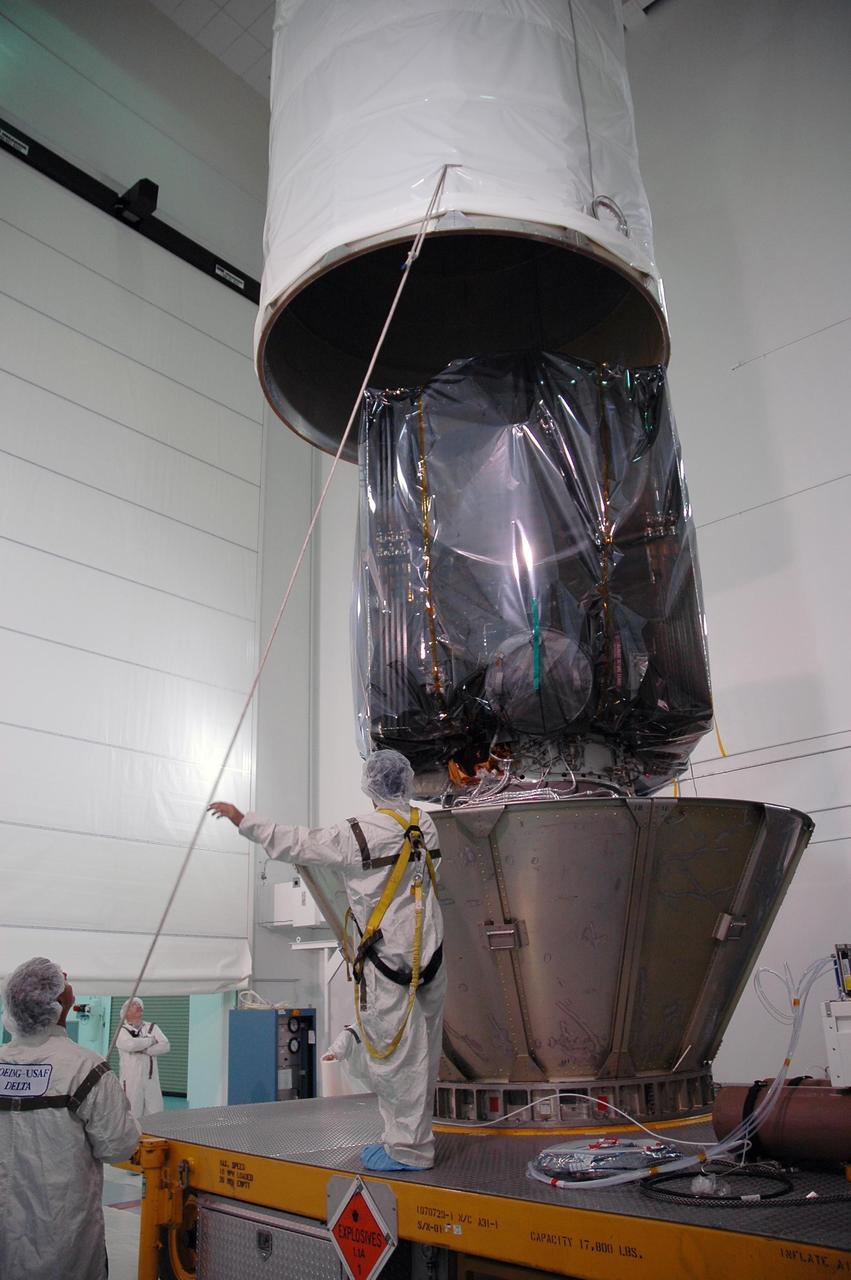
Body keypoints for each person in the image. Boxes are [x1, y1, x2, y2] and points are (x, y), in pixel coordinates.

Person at [210, 748, 445, 1173]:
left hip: (390, 964)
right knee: (423, 1054)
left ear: (369, 785)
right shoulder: (425, 823)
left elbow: (299, 842)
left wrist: (243, 819)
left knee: (396, 1060)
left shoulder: (359, 833)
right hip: (429, 956)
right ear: (406, 782)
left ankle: (409, 1149)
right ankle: (409, 1138)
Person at [0, 957, 140, 1280]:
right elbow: (119, 1145)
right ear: (61, 1004)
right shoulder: (84, 1069)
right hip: (62, 1243)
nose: (67, 980)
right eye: (62, 982)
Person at [116, 997, 170, 1119]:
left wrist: (145, 1050)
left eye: (140, 1004)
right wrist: (151, 1040)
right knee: (132, 1112)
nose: (138, 1006)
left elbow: (165, 1045)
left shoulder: (152, 1027)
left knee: (155, 1112)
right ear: (125, 1012)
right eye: (134, 1005)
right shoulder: (121, 1031)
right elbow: (130, 1045)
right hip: (130, 1080)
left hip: (151, 1079)